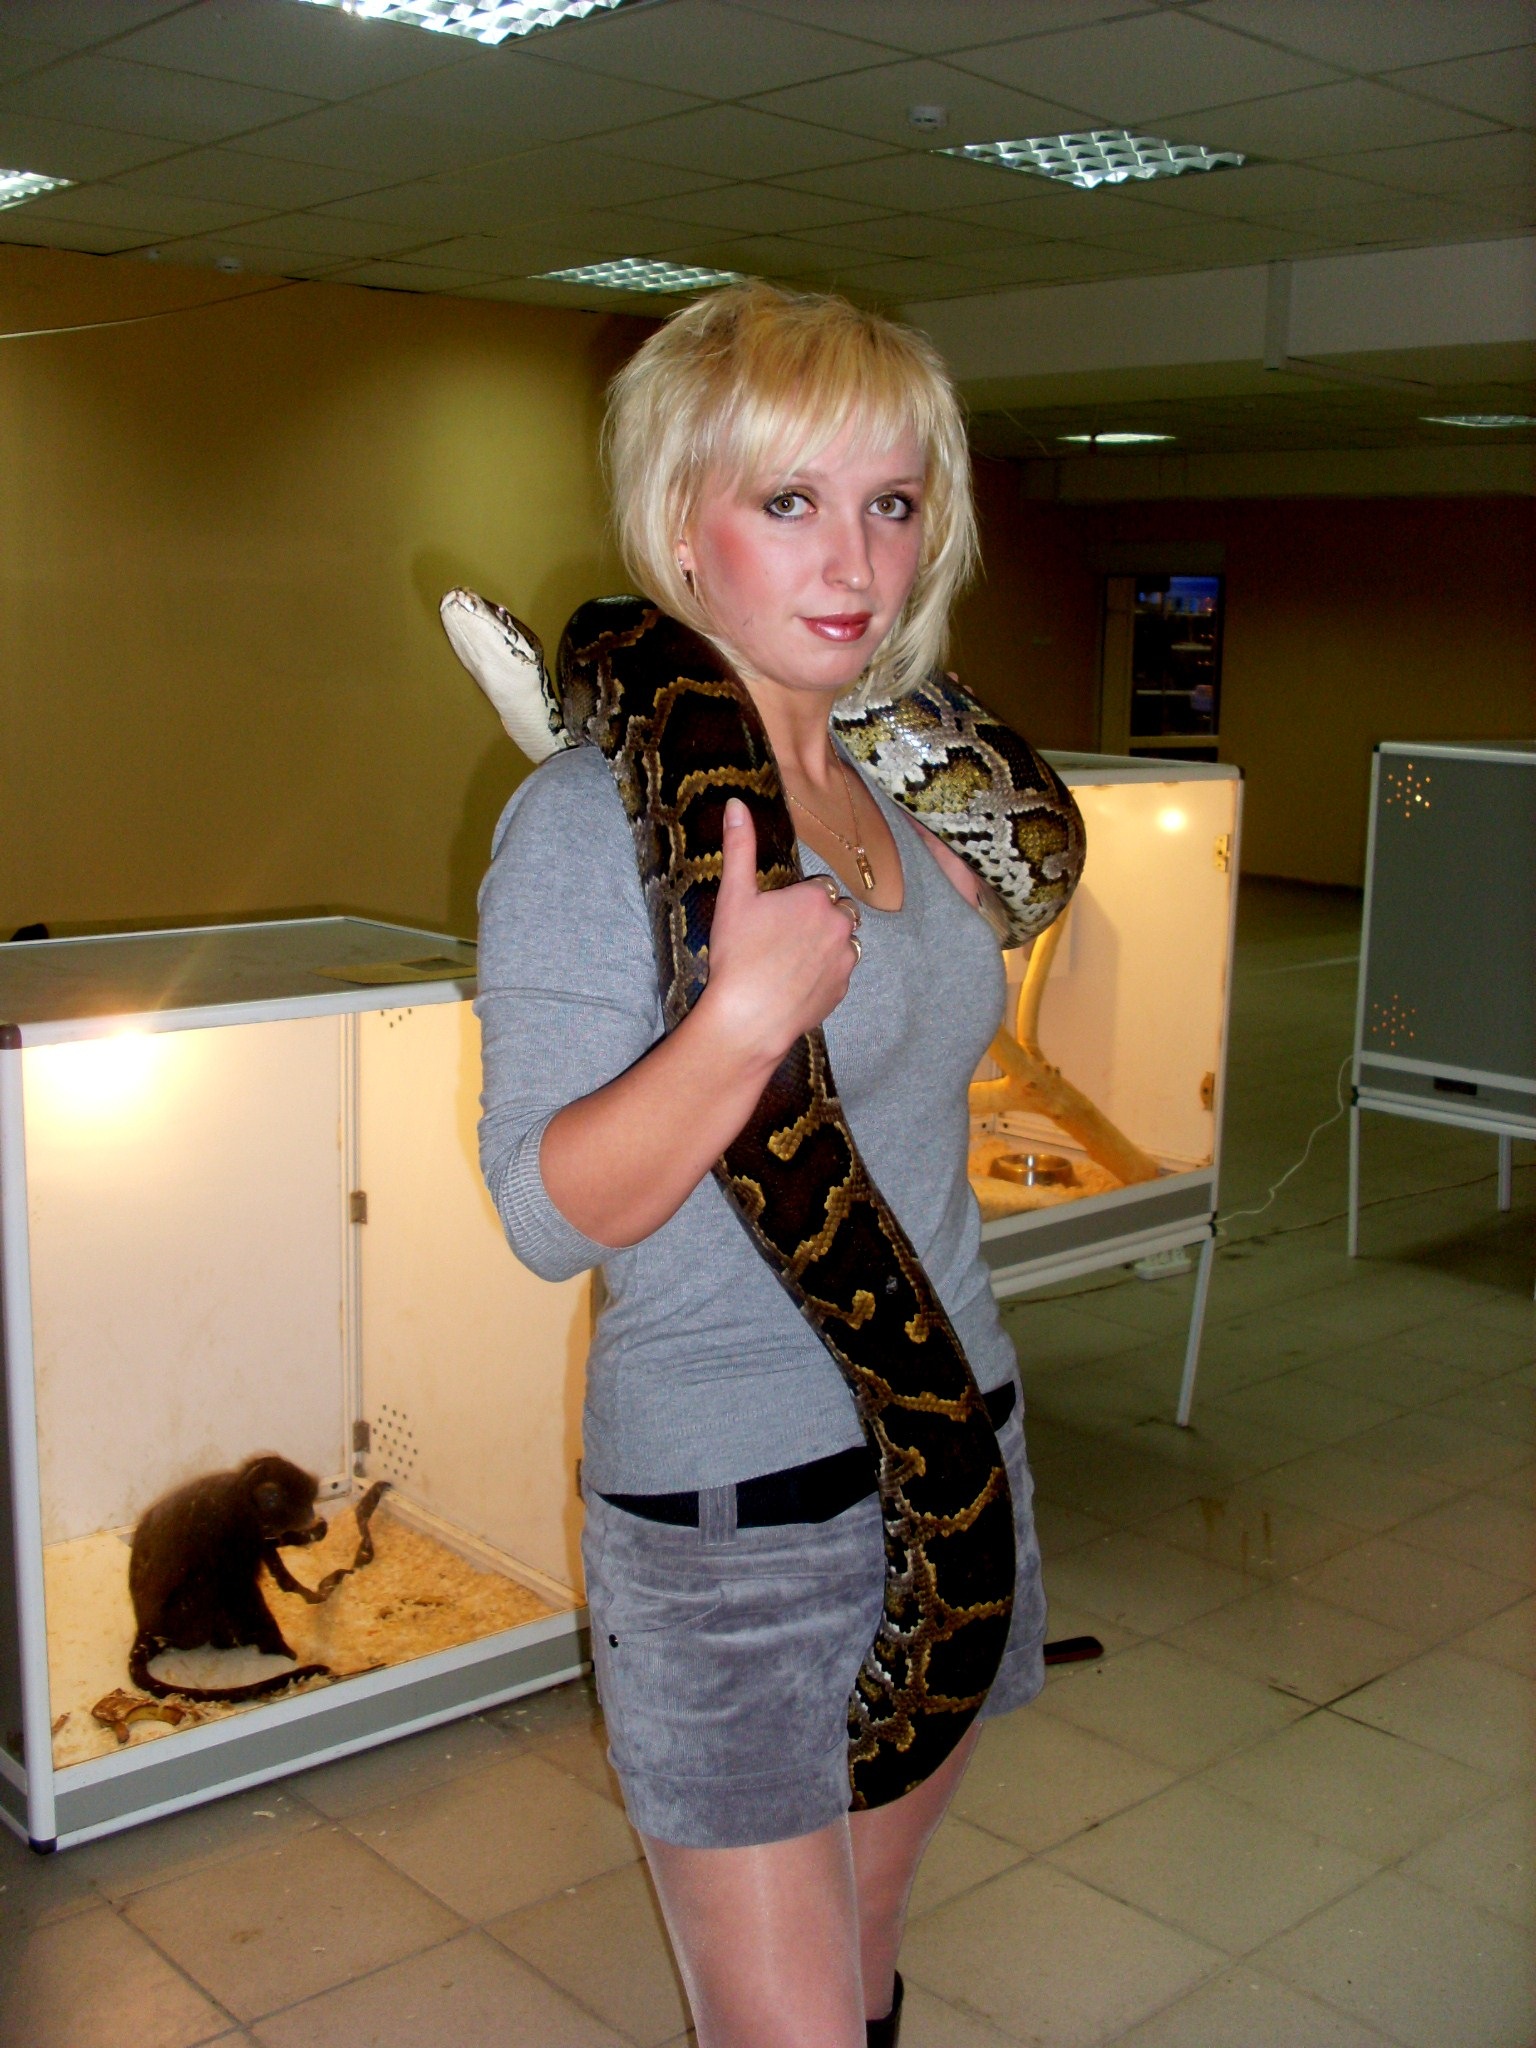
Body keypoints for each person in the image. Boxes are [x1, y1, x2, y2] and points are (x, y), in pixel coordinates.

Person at [477, 282, 1047, 2048]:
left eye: (892, 502)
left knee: (863, 1961)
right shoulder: (582, 822)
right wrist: (736, 1023)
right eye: (789, 501)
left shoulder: (910, 814)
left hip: (967, 1454)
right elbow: (548, 1214)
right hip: (735, 1514)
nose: (853, 559)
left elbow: (915, 1106)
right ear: (680, 529)